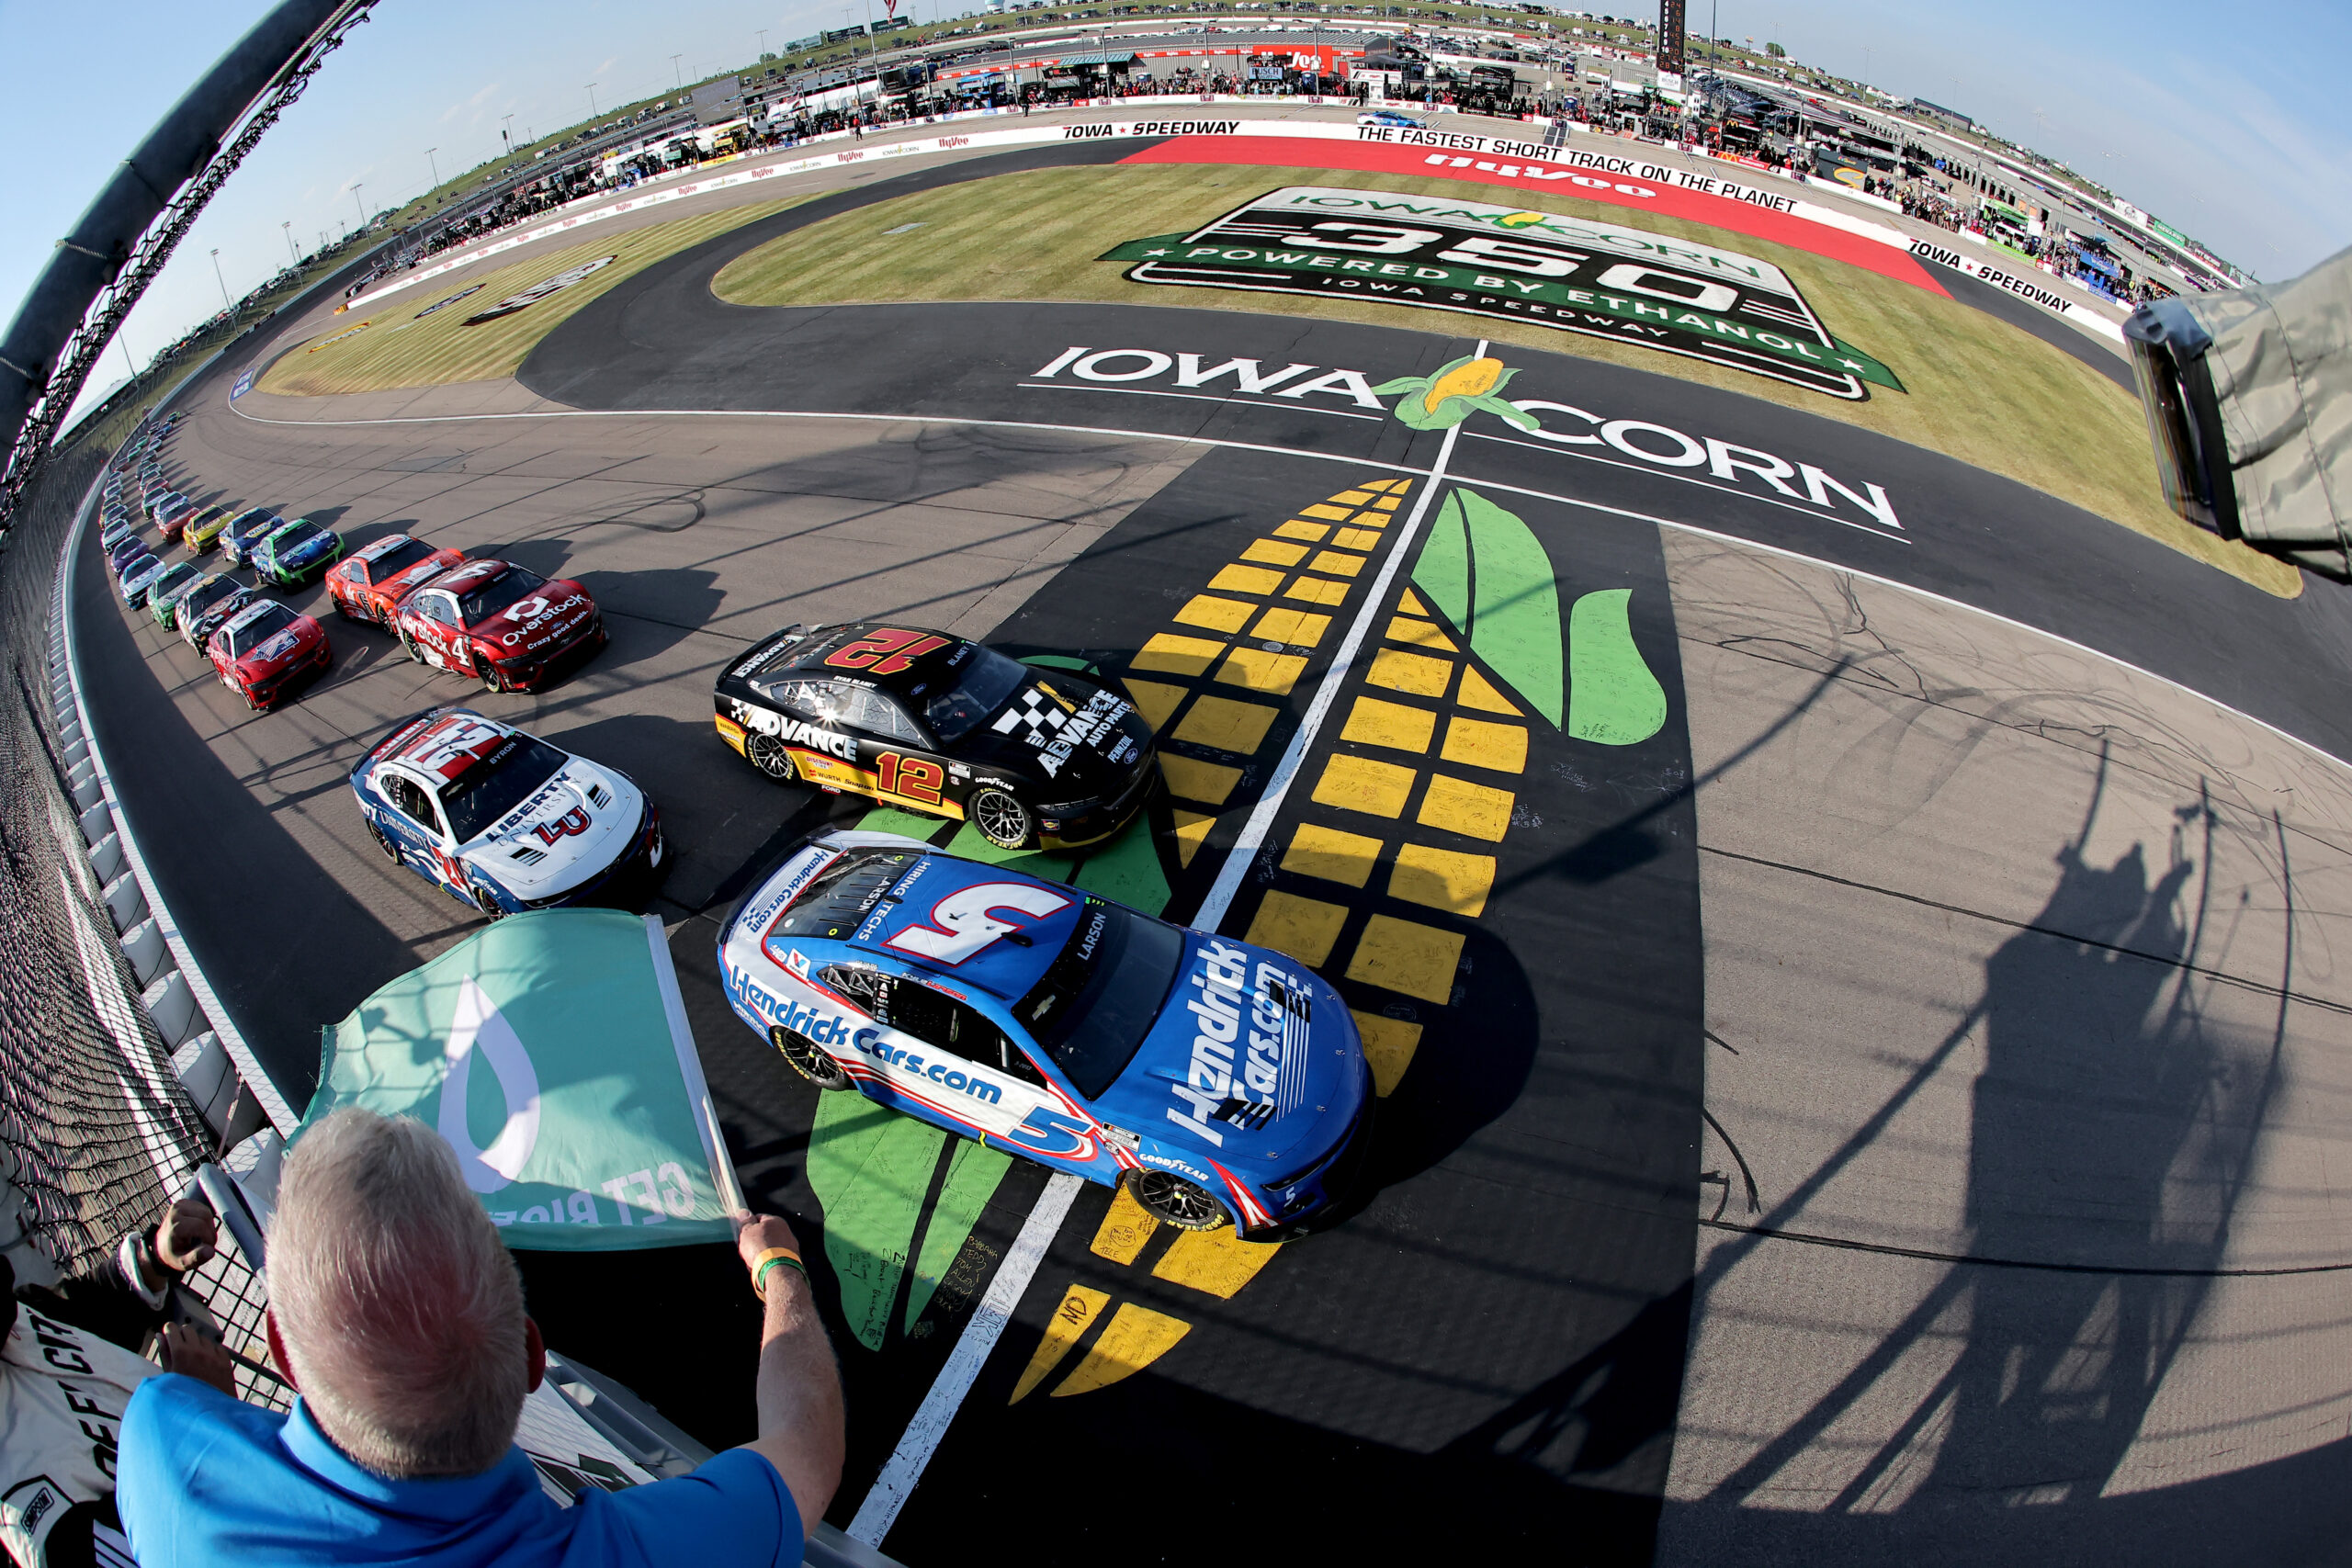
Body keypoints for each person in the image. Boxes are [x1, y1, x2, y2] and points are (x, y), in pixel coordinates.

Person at [116, 1110, 843, 1568]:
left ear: (281, 1346)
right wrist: (779, 1269)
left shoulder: (162, 1441)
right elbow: (807, 1447)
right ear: (531, 1357)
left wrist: (206, 1409)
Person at [4, 1201, 237, 1568]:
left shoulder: (16, 1316)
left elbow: (82, 1312)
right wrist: (211, 1420)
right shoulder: (37, 1527)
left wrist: (152, 1262)